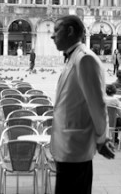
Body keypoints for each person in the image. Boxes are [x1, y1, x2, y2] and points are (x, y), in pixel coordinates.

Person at [50, 15, 113, 194]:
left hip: (75, 148)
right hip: (66, 147)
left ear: (70, 31)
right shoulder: (74, 58)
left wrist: (102, 139)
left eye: (56, 30)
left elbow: (97, 104)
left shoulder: (85, 59)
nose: (52, 36)